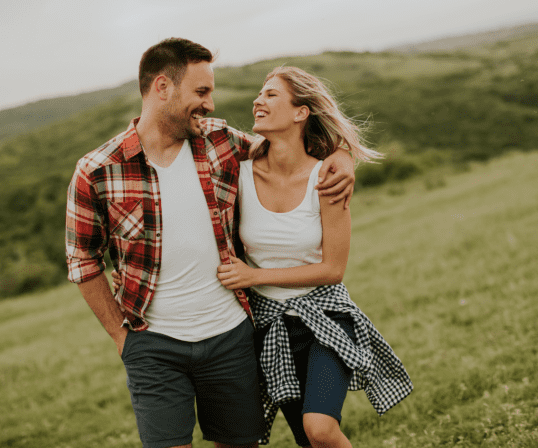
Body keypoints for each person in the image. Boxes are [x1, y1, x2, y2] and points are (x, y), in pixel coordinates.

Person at [65, 38, 356, 448]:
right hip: (153, 345)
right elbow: (82, 260)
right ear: (163, 88)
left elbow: (293, 149)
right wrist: (121, 337)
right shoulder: (97, 171)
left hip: (231, 337)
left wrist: (342, 156)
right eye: (201, 92)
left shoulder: (219, 142)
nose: (211, 105)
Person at [214, 67, 413, 447]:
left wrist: (253, 277)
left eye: (271, 94)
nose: (258, 100)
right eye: (260, 93)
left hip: (326, 318)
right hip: (271, 330)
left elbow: (333, 270)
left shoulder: (327, 178)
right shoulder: (236, 172)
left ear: (300, 112)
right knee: (309, 441)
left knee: (320, 428)